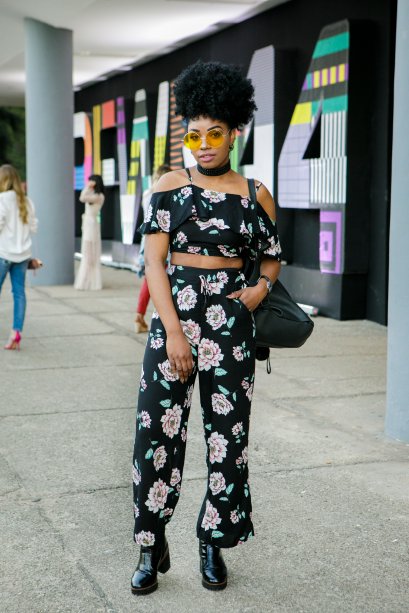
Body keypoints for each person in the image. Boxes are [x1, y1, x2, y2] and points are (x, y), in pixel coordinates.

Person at [131, 60, 282, 595]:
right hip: (174, 320)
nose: (203, 145)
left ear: (234, 131)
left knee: (228, 438)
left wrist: (259, 291)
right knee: (157, 433)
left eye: (213, 133)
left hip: (230, 325)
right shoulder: (169, 185)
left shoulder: (255, 192)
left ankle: (212, 542)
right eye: (193, 135)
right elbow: (154, 264)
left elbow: (270, 257)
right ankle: (151, 544)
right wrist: (172, 332)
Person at [0, 164, 38, 350]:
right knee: (19, 294)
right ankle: (16, 333)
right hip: (23, 255)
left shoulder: (2, 199)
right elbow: (33, 227)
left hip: (3, 253)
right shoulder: (27, 201)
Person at [135, 164, 172, 333]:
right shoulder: (169, 193)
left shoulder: (147, 194)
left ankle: (139, 315)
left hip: (148, 241)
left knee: (150, 280)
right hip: (166, 241)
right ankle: (165, 320)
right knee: (165, 282)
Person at [74, 174, 105, 290]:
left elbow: (82, 197)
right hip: (88, 224)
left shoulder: (99, 196)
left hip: (91, 225)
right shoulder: (93, 194)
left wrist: (87, 187)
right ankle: (86, 281)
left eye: (91, 181)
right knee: (86, 252)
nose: (89, 183)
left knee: (89, 253)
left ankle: (89, 282)